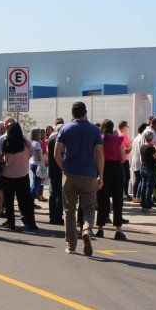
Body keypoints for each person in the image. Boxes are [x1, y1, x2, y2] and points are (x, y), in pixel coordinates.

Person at [54, 101, 104, 256]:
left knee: (69, 209)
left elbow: (56, 153)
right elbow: (99, 153)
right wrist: (100, 175)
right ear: (85, 112)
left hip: (69, 173)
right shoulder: (94, 130)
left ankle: (71, 244)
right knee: (89, 207)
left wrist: (64, 168)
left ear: (72, 113)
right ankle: (87, 230)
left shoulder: (65, 129)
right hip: (88, 173)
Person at [2, 123, 37, 231]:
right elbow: (31, 154)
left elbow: (2, 158)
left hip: (7, 175)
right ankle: (31, 223)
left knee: (9, 200)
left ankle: (11, 223)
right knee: (26, 200)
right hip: (22, 174)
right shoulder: (26, 143)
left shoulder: (5, 143)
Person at [96, 119, 127, 240]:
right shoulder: (118, 139)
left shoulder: (100, 139)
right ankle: (118, 229)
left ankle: (100, 228)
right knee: (117, 200)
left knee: (102, 200)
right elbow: (123, 158)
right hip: (116, 169)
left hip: (103, 168)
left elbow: (98, 155)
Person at [46, 123, 64, 225]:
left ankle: (51, 216)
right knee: (60, 194)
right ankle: (58, 216)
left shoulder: (50, 139)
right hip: (60, 169)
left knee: (52, 193)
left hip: (52, 169)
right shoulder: (61, 139)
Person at [139, 130, 156, 213]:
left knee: (143, 187)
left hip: (143, 168)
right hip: (150, 169)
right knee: (149, 188)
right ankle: (147, 205)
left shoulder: (142, 146)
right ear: (151, 138)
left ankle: (143, 204)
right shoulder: (151, 148)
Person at [117, 121, 133, 201]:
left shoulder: (117, 134)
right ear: (124, 126)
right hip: (125, 158)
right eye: (127, 126)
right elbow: (129, 147)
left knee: (120, 177)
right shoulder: (124, 135)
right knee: (126, 177)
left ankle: (122, 192)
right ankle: (125, 193)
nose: (127, 128)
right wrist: (130, 145)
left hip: (118, 159)